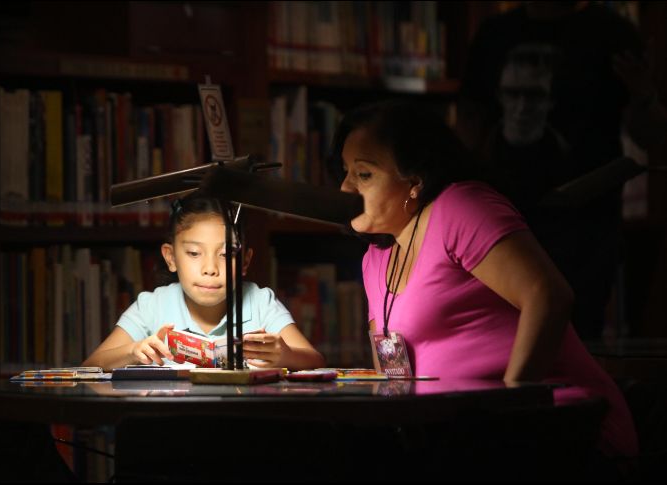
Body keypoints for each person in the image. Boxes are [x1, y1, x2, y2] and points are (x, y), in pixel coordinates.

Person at [328, 99, 638, 472]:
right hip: (455, 437)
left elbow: (549, 295)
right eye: (345, 171)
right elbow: (394, 379)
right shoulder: (375, 260)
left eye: (363, 174)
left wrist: (510, 406)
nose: (344, 187)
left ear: (414, 181)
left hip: (556, 428)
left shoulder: (458, 207)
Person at [456, 1, 667, 340]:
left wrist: (644, 96)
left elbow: (650, 135)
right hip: (498, 220)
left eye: (534, 97)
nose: (523, 108)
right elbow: (469, 122)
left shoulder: (611, 33)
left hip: (583, 229)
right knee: (492, 338)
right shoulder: (495, 34)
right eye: (514, 95)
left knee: (572, 342)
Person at [83, 192, 325, 371]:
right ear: (171, 257)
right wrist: (133, 351)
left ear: (244, 262)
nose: (210, 269)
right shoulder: (152, 305)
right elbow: (91, 365)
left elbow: (315, 361)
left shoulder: (261, 301)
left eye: (226, 254)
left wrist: (286, 356)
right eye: (194, 253)